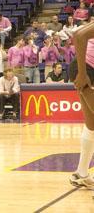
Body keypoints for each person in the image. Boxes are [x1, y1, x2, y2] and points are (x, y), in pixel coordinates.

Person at [69, 22, 94, 188]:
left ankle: (81, 173)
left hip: (86, 69)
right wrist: (83, 74)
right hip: (86, 70)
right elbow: (79, 35)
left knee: (92, 126)